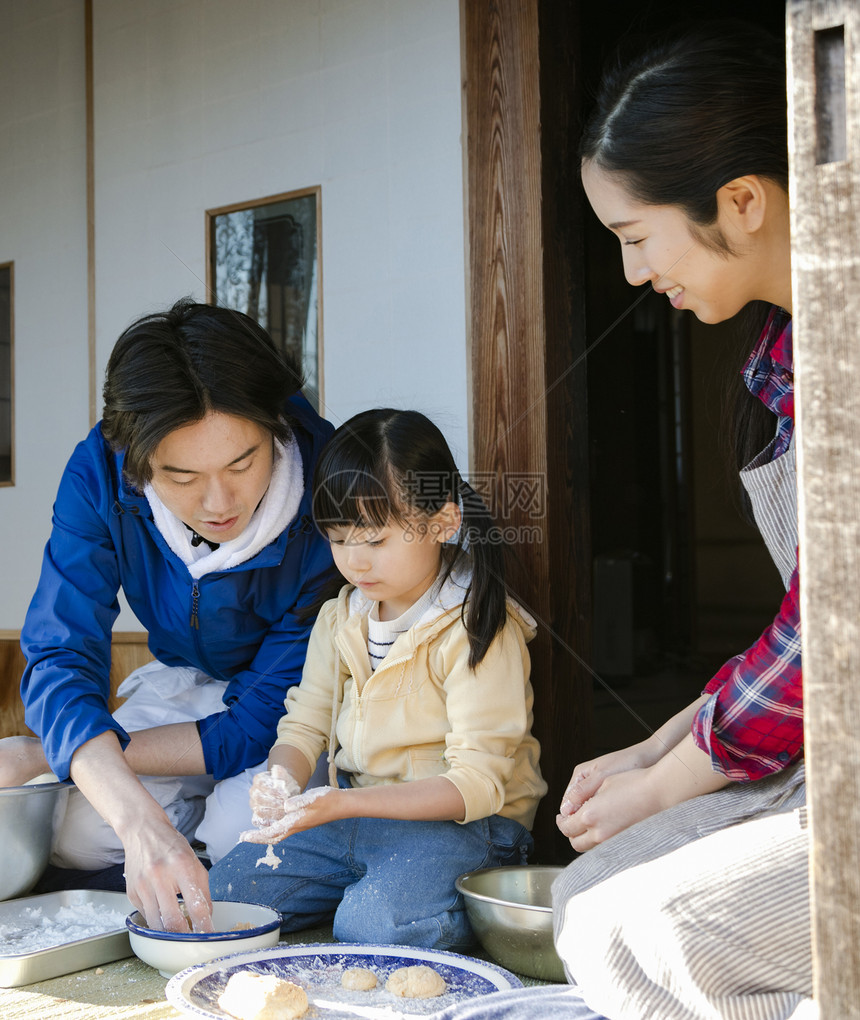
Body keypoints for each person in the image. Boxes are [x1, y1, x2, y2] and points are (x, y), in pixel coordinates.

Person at [426, 20, 813, 1020]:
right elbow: (798, 635)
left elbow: (832, 635)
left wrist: (664, 781)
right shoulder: (775, 357)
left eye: (636, 238)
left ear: (739, 199)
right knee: (585, 895)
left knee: (625, 928)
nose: (634, 274)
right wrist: (656, 752)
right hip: (825, 734)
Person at [0, 298, 338, 934]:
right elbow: (61, 652)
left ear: (277, 427)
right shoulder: (101, 471)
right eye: (181, 476)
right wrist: (135, 819)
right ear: (137, 460)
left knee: (246, 836)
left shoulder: (328, 485)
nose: (218, 502)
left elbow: (256, 723)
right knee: (78, 836)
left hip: (295, 713)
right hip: (184, 679)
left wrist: (55, 754)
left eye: (243, 463)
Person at [208, 408, 548, 949]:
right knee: (225, 894)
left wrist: (341, 804)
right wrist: (281, 781)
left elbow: (477, 787)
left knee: (372, 927)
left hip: (471, 830)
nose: (355, 563)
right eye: (339, 540)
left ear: (442, 522)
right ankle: (377, 886)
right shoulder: (341, 617)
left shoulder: (478, 625)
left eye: (374, 540)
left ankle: (448, 905)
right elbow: (304, 726)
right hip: (361, 819)